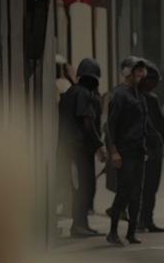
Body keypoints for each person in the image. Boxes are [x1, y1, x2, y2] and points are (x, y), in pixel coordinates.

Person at [57, 58, 105, 238]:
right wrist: (99, 146)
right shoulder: (84, 94)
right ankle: (79, 225)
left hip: (69, 147)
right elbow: (87, 122)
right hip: (80, 148)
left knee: (79, 186)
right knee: (86, 186)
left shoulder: (70, 92)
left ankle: (81, 224)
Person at [105, 56, 148, 246]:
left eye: (141, 70)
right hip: (124, 150)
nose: (140, 73)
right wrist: (114, 151)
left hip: (138, 150)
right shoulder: (120, 94)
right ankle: (113, 232)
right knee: (123, 191)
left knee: (137, 192)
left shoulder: (138, 93)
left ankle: (131, 232)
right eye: (136, 70)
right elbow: (110, 126)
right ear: (127, 72)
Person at [138, 61, 164, 233]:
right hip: (140, 147)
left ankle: (146, 219)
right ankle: (140, 219)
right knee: (141, 186)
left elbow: (161, 123)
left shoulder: (151, 99)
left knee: (151, 186)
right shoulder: (136, 97)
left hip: (154, 147)